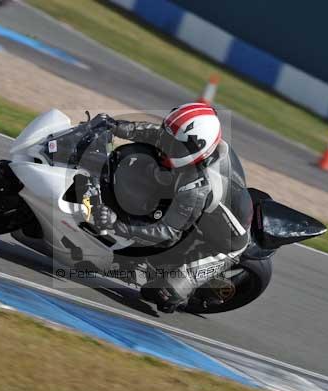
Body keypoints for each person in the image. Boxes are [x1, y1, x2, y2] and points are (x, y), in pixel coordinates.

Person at [91, 103, 253, 313]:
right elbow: (157, 134)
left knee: (161, 293)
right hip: (199, 211)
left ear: (198, 147)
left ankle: (187, 291)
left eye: (174, 144)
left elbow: (167, 233)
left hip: (225, 245)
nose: (166, 145)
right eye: (170, 139)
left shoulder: (197, 187)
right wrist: (115, 126)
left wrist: (116, 224)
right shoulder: (191, 148)